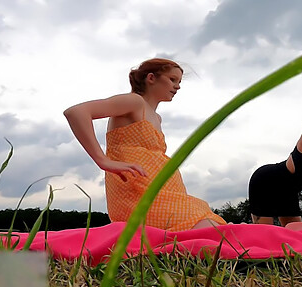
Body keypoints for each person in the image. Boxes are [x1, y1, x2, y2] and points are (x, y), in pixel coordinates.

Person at [63, 58, 225, 231]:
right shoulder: (134, 102)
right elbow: (77, 112)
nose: (177, 86)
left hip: (163, 191)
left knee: (210, 228)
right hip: (137, 193)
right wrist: (102, 160)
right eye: (172, 79)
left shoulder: (156, 118)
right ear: (151, 78)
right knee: (210, 230)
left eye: (179, 82)